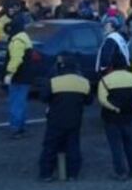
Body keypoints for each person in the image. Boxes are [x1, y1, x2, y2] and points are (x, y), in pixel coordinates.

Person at [38, 54, 92, 182]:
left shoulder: (54, 81)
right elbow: (89, 101)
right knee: (73, 146)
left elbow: (43, 97)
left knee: (50, 146)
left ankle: (46, 174)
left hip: (55, 120)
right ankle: (73, 174)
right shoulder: (84, 82)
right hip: (75, 120)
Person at [98, 65, 132, 180]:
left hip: (111, 118)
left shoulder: (105, 80)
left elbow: (102, 99)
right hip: (128, 117)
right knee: (129, 143)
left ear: (111, 67)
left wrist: (115, 108)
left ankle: (121, 172)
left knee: (116, 146)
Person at [3, 13, 34, 139]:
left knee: (15, 103)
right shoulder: (24, 37)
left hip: (18, 77)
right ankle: (21, 127)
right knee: (21, 103)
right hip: (25, 77)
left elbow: (16, 59)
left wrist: (9, 74)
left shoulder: (17, 40)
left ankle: (16, 129)